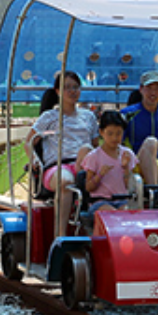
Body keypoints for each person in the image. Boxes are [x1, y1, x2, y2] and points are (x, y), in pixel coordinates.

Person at [26, 71, 98, 230]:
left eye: (75, 87)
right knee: (65, 181)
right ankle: (60, 234)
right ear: (58, 91)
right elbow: (29, 142)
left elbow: (96, 146)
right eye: (67, 88)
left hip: (85, 165)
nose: (72, 91)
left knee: (87, 150)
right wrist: (35, 160)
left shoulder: (89, 117)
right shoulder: (49, 117)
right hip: (59, 167)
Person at [80, 110, 138, 216]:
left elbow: (130, 186)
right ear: (102, 132)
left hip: (122, 200)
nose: (114, 138)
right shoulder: (94, 156)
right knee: (111, 215)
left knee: (128, 214)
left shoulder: (127, 154)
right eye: (110, 134)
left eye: (118, 133)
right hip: (100, 202)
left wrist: (125, 168)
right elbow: (88, 187)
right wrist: (100, 175)